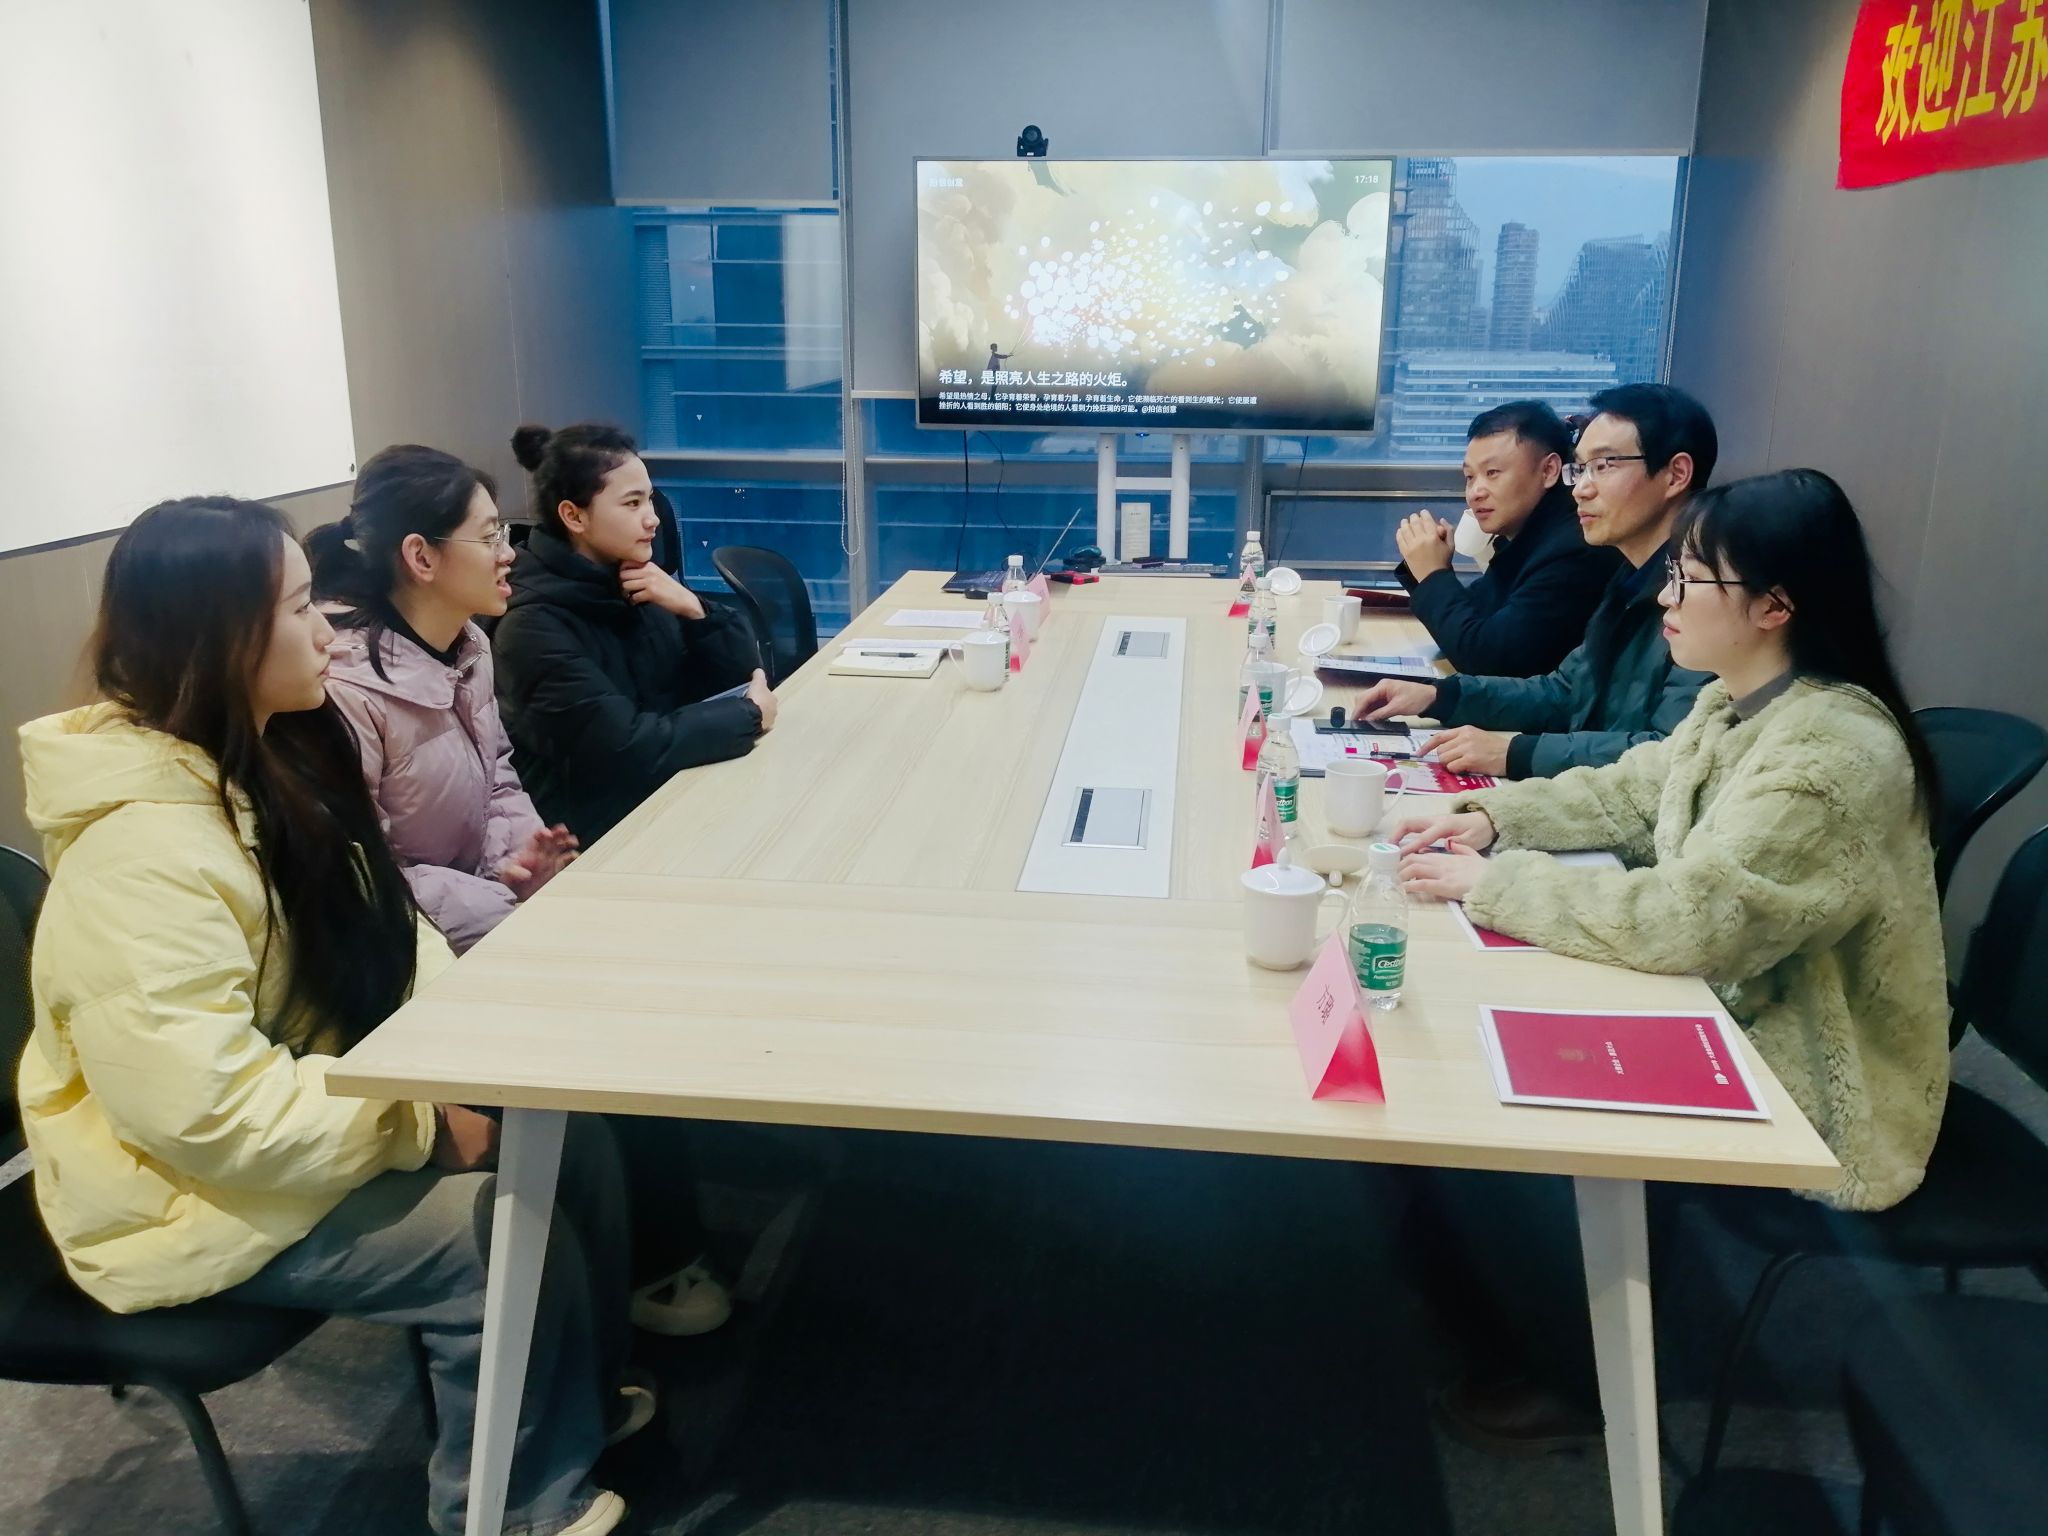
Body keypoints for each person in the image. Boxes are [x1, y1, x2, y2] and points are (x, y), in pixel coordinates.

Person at [16, 497, 641, 1536]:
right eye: (301, 608)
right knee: (487, 1238)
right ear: (220, 636)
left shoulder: (274, 757)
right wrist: (417, 1119)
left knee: (566, 1142)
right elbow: (209, 1114)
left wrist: (461, 1057)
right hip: (179, 1195)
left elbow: (390, 932)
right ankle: (508, 1508)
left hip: (298, 1121)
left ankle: (565, 1413)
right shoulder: (141, 856)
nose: (331, 635)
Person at [1390, 469, 1950, 1450]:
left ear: (1774, 606)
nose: (1665, 597)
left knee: (1480, 1110)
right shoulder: (1744, 703)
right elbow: (1631, 791)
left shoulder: (1833, 754)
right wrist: (1493, 817)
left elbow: (1694, 922)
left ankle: (1565, 1377)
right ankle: (1509, 1318)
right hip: (1734, 1001)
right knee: (1466, 1066)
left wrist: (1497, 885)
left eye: (1691, 579)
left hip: (1810, 1071)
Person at [308, 445, 735, 1338]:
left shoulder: (468, 645)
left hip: (486, 916)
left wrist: (523, 862)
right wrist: (503, 903)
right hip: (408, 959)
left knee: (642, 998)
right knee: (613, 1032)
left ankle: (650, 1257)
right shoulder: (346, 687)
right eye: (491, 535)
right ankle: (636, 1281)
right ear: (422, 557)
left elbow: (500, 778)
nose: (511, 551)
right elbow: (365, 874)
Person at [1358, 383, 1719, 779]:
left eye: (1603, 466)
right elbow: (1566, 691)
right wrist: (1439, 696)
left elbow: (1670, 754)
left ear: (1675, 475)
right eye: (1580, 468)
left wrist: (1516, 752)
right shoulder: (1631, 574)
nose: (1581, 489)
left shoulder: (1710, 592)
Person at [493, 422, 775, 845]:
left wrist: (696, 610)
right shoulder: (531, 625)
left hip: (672, 800)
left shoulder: (635, 581)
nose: (653, 518)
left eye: (650, 499)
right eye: (632, 503)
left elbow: (740, 680)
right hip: (599, 841)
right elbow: (623, 750)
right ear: (574, 516)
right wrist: (746, 717)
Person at [1392, 400, 1622, 677]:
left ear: (1549, 470)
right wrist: (1429, 569)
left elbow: (1489, 660)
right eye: (1469, 476)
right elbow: (1476, 617)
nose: (1475, 492)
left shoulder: (1576, 548)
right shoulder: (1530, 535)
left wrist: (1433, 576)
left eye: (1492, 473)